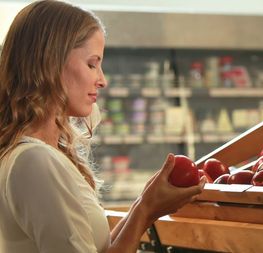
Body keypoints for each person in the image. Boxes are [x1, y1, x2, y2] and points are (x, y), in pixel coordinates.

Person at [0, 1, 205, 252]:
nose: (102, 80)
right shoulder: (35, 161)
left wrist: (143, 206)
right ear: (50, 63)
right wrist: (145, 212)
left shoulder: (42, 155)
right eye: (92, 64)